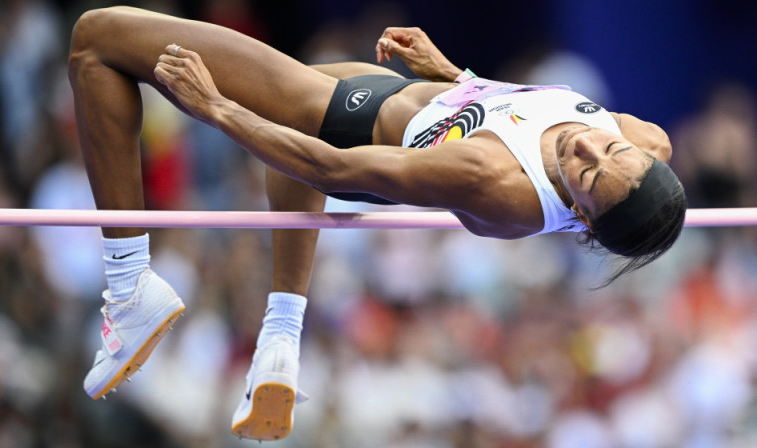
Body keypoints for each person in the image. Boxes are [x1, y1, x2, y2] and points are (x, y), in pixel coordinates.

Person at [67, 6, 686, 441]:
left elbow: (328, 168)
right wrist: (459, 76)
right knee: (291, 105)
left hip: (347, 126)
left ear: (579, 212)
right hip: (396, 92)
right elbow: (534, 112)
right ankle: (279, 345)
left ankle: (130, 288)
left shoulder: (496, 185)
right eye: (608, 151)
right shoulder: (641, 141)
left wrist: (216, 108)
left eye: (588, 173)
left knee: (98, 39)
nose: (588, 147)